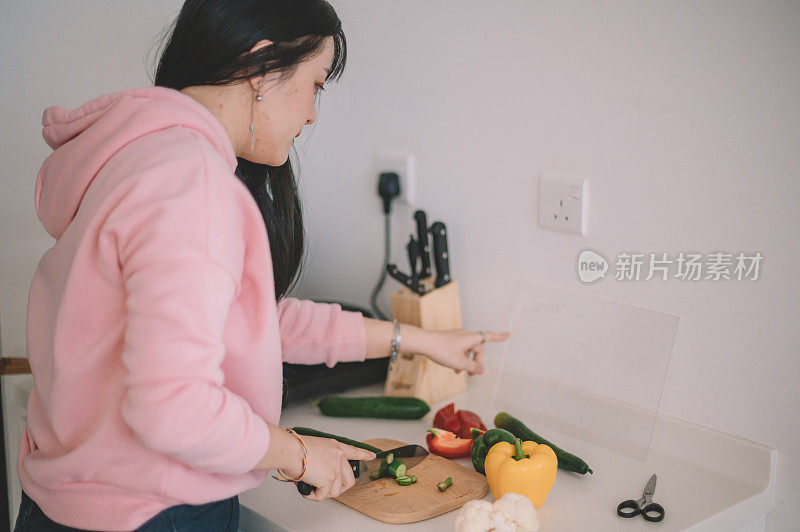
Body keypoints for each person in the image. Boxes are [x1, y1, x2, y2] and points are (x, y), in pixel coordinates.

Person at [16, 1, 510, 530]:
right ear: (261, 66)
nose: (314, 113)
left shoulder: (138, 154)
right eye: (316, 85)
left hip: (62, 501)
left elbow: (256, 321)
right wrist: (298, 453)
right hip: (151, 511)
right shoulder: (194, 185)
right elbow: (173, 407)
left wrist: (419, 340)